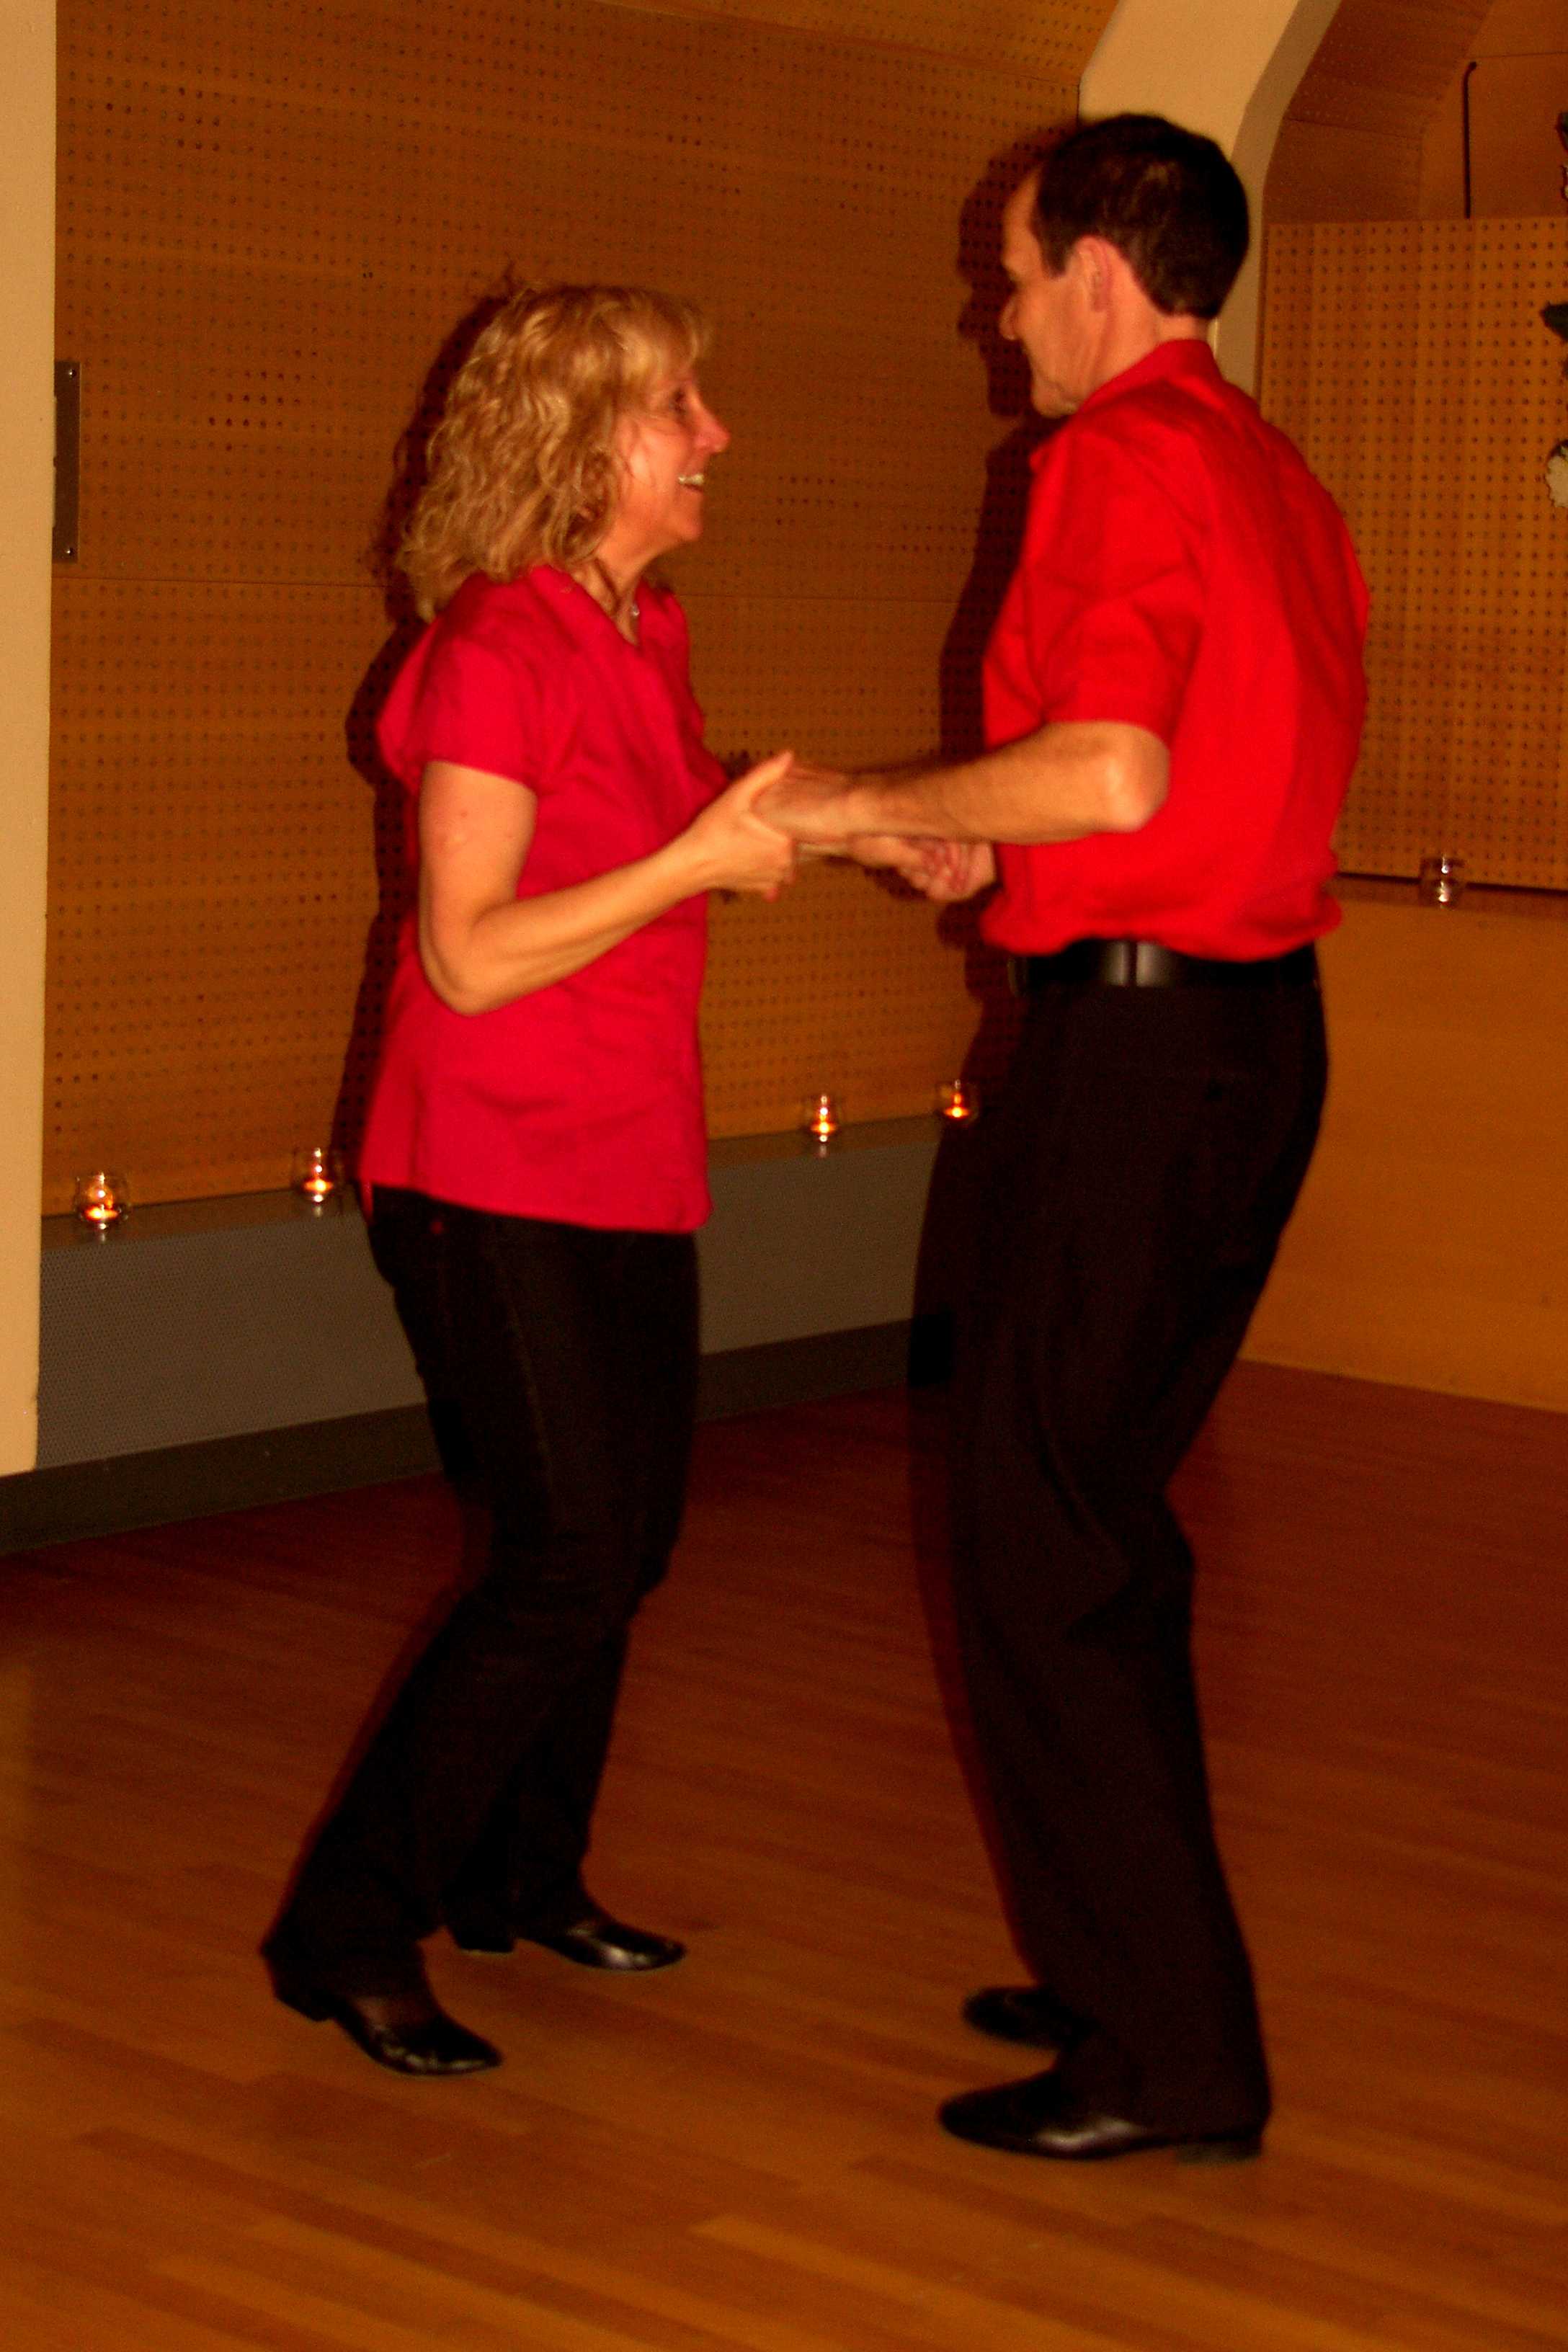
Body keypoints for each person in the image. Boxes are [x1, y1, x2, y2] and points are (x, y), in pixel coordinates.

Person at [761, 116, 1368, 2162]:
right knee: (1096, 1513)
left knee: (1043, 1541)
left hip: (1133, 1072)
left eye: (1014, 278)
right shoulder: (1271, 472)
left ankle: (1166, 2057)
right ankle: (1124, 1960)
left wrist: (858, 805)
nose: (999, 318)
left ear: (1100, 274)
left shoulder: (1114, 459)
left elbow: (1107, 771)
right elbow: (1179, 789)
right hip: (1247, 1046)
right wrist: (986, 854)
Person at [264, 282, 801, 2076]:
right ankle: (346, 1925)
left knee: (624, 1546)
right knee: (567, 1551)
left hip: (626, 1151)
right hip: (485, 1164)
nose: (713, 437)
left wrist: (889, 828)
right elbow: (472, 952)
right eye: (678, 409)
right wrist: (697, 862)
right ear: (580, 448)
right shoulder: (495, 646)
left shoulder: (640, 629)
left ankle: (522, 1873)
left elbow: (689, 822)